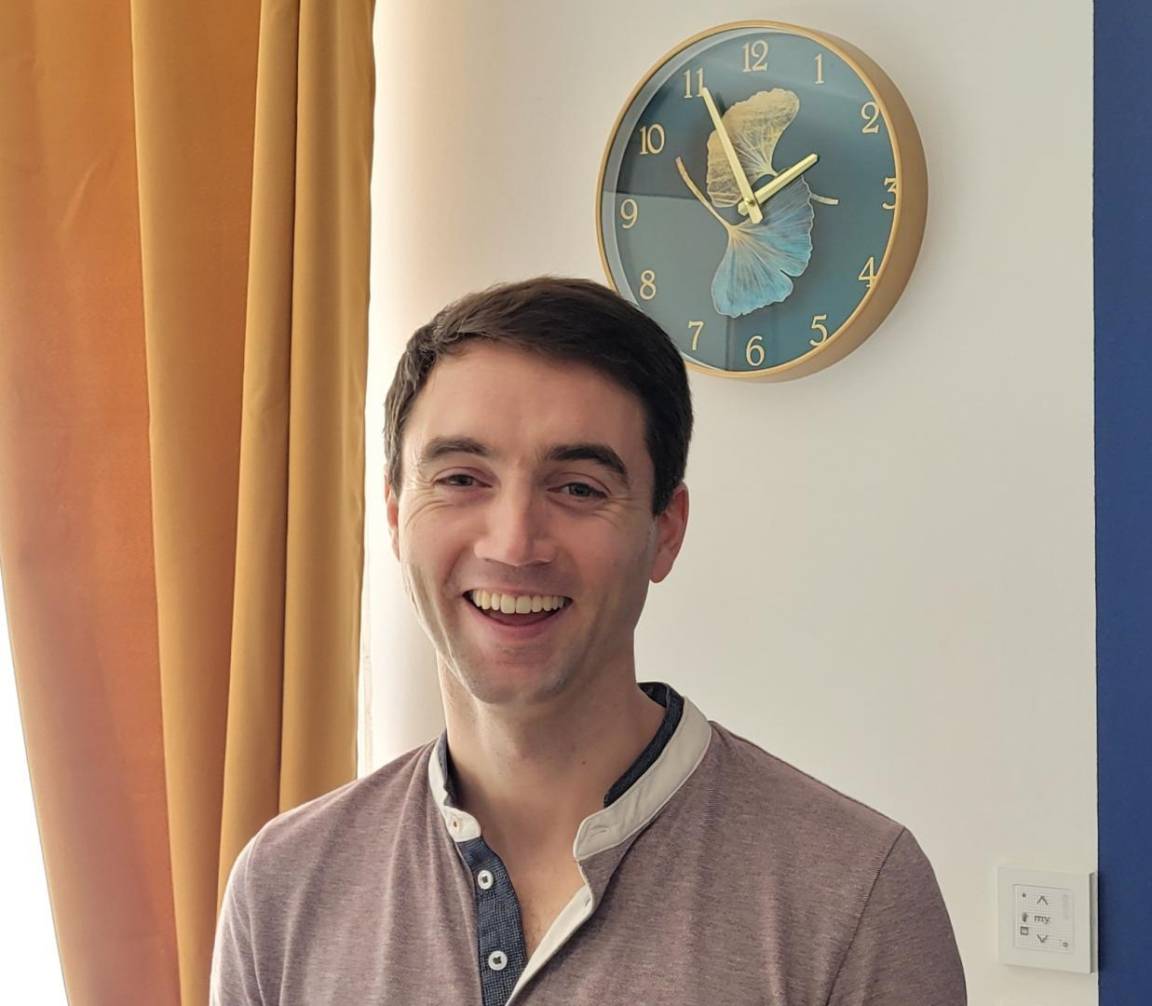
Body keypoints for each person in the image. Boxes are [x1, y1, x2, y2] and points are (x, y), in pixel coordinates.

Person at [210, 276, 967, 1005]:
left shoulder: (856, 896)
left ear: (665, 533)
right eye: (462, 479)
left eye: (578, 487)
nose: (514, 544)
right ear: (394, 516)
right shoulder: (284, 885)